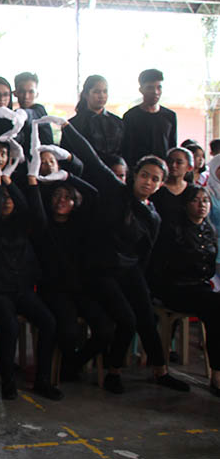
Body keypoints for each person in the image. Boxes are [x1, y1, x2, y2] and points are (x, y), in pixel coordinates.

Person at [66, 121, 189, 394]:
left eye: (155, 179)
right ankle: (113, 371)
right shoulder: (115, 191)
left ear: (160, 184)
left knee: (147, 316)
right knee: (127, 320)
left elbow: (145, 253)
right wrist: (66, 127)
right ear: (135, 174)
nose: (148, 182)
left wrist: (139, 285)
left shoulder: (153, 215)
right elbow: (92, 160)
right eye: (145, 175)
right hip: (101, 269)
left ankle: (161, 370)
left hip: (129, 269)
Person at [26, 170, 114, 385]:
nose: (61, 201)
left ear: (75, 202)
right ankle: (65, 367)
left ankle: (72, 364)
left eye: (67, 197)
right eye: (57, 196)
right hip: (53, 290)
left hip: (80, 289)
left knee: (105, 329)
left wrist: (67, 177)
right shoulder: (43, 224)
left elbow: (93, 195)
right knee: (68, 330)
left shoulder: (81, 224)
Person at [0, 175, 62, 401]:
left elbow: (30, 208)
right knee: (9, 326)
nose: (7, 201)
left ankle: (42, 380)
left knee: (48, 322)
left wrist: (8, 182)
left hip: (22, 290)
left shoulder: (22, 223)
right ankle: (6, 378)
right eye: (3, 198)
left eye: (10, 198)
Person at [151, 185, 220, 396]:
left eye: (205, 201)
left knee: (215, 308)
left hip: (200, 288)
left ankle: (217, 371)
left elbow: (208, 267)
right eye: (196, 201)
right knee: (215, 306)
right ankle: (217, 376)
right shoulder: (173, 230)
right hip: (175, 288)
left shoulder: (209, 230)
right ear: (186, 204)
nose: (201, 205)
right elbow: (163, 265)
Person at [122, 69, 177, 167]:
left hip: (163, 172)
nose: (155, 92)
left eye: (159, 87)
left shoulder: (170, 116)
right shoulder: (130, 117)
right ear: (141, 89)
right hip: (138, 171)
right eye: (150, 88)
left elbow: (172, 147)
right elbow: (127, 149)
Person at [61, 75, 123, 158]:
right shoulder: (73, 124)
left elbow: (125, 149)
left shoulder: (117, 121)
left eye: (105, 91)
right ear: (86, 94)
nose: (102, 95)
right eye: (96, 92)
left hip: (116, 168)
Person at [13, 72, 53, 155]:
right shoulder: (14, 116)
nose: (26, 96)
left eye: (31, 92)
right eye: (22, 91)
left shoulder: (40, 110)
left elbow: (31, 115)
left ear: (37, 94)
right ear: (15, 93)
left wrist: (22, 115)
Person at [150, 147, 193, 223]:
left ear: (189, 167)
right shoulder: (156, 189)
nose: (173, 165)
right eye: (170, 161)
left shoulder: (193, 191)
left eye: (179, 162)